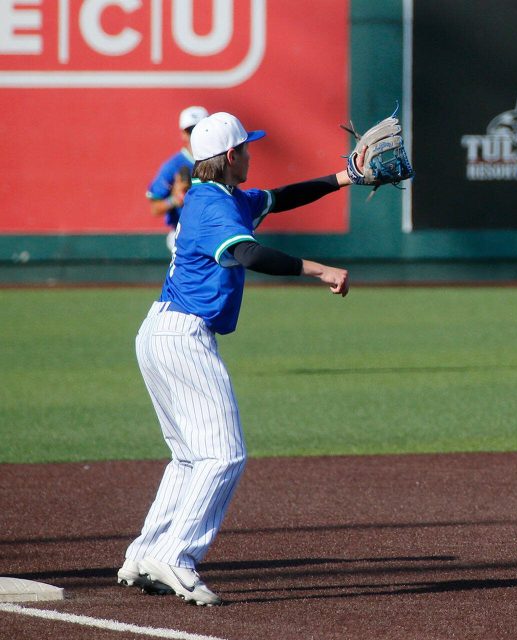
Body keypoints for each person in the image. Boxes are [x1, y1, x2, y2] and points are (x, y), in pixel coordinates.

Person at [117, 111, 395, 605]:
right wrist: (320, 269)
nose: (251, 154)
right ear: (230, 157)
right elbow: (248, 255)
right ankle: (177, 557)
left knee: (189, 457)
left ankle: (146, 553)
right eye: (246, 148)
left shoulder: (222, 198)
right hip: (182, 336)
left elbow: (283, 197)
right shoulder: (212, 209)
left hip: (160, 330)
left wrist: (345, 175)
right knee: (223, 454)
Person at [146, 105, 208, 251]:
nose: (195, 135)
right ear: (183, 134)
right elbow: (155, 208)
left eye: (199, 129)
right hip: (183, 236)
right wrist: (175, 199)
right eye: (190, 130)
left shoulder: (219, 161)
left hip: (212, 231)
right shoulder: (172, 166)